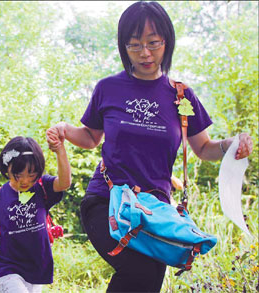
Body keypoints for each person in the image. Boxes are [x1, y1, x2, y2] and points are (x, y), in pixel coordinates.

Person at [47, 1, 253, 292]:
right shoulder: (108, 88)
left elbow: (203, 148)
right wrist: (65, 131)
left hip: (154, 210)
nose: (145, 53)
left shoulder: (181, 96)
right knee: (139, 270)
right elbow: (91, 138)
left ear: (166, 42)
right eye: (134, 45)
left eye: (153, 43)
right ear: (123, 46)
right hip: (107, 201)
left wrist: (230, 145)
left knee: (151, 277)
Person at [0, 136, 71, 293]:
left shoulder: (42, 188)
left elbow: (64, 182)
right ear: (7, 169)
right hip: (6, 268)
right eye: (18, 175)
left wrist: (60, 151)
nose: (24, 180)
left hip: (35, 268)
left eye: (31, 175)